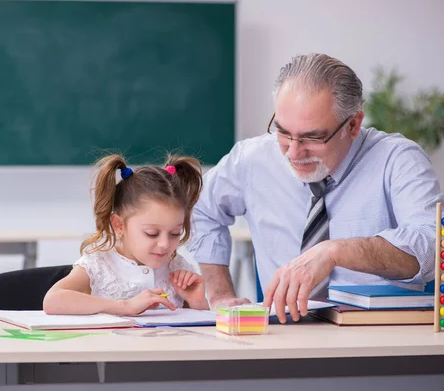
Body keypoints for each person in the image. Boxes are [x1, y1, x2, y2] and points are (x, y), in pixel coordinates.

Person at [188, 52, 443, 323]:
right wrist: (219, 294)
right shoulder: (252, 159)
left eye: (313, 137)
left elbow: (432, 245)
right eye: (283, 132)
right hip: (282, 334)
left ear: (354, 124)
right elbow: (203, 211)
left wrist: (335, 252)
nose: (294, 153)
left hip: (378, 336)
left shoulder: (398, 159)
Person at [43, 154, 209, 316]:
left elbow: (197, 332)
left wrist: (197, 303)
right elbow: (52, 300)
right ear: (119, 225)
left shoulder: (178, 267)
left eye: (175, 233)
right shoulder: (99, 264)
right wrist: (124, 306)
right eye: (152, 233)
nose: (165, 244)